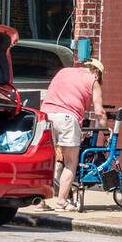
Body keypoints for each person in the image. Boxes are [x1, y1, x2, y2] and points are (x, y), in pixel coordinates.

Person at [40, 58, 106, 212]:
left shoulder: (63, 72)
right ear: (97, 72)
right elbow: (99, 112)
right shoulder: (93, 80)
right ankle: (62, 202)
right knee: (70, 163)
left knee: (46, 161)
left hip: (46, 116)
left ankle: (39, 202)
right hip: (67, 118)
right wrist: (106, 129)